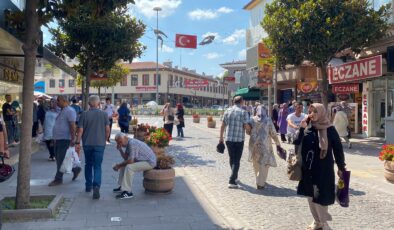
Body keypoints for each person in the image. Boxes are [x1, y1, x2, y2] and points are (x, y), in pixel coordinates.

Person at [295, 103, 346, 230]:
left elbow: (338, 150)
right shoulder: (308, 127)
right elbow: (296, 143)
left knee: (321, 196)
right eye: (310, 111)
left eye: (315, 111)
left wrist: (341, 167)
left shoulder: (330, 129)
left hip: (324, 168)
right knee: (310, 195)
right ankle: (317, 221)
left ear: (322, 112)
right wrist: (301, 129)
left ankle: (323, 222)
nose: (312, 114)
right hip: (308, 168)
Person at [76, 95, 110, 200]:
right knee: (97, 166)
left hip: (87, 144)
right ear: (98, 103)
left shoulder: (84, 115)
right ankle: (96, 186)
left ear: (89, 104)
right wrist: (105, 140)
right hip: (100, 144)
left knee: (88, 164)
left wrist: (77, 142)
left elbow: (80, 130)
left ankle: (88, 186)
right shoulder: (104, 114)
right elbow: (107, 129)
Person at [112, 133, 156, 199]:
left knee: (129, 167)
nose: (120, 143)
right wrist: (120, 149)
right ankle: (122, 186)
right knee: (124, 165)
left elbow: (131, 161)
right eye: (118, 142)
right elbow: (126, 158)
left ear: (125, 138)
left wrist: (118, 165)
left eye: (120, 142)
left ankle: (127, 192)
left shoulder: (132, 143)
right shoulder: (128, 143)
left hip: (149, 162)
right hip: (144, 160)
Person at [248, 105, 282, 189]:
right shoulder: (268, 120)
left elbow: (248, 131)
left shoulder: (252, 119)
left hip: (254, 144)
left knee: (255, 162)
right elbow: (273, 133)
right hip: (265, 144)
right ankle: (260, 183)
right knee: (264, 163)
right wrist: (278, 143)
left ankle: (258, 179)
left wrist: (252, 134)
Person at [219, 96, 250, 188]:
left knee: (232, 159)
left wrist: (221, 138)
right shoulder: (244, 112)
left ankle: (234, 176)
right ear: (242, 102)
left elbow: (222, 125)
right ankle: (232, 181)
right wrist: (250, 129)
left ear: (233, 102)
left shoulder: (228, 111)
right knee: (236, 160)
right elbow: (246, 126)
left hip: (228, 139)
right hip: (239, 139)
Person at [48, 95, 79, 187]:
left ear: (64, 101)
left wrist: (73, 138)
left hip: (65, 139)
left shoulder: (70, 111)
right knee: (59, 159)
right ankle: (75, 169)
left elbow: (72, 126)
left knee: (61, 159)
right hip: (58, 139)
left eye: (58, 100)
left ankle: (58, 179)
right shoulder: (61, 110)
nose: (57, 102)